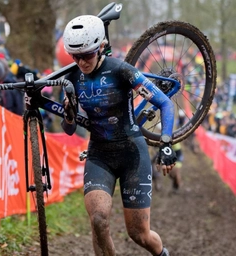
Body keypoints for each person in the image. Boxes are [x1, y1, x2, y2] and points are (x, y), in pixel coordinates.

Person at [61, 15, 177, 256]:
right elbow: (69, 129)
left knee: (139, 235)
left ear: (101, 47)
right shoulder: (71, 78)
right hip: (99, 155)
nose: (81, 62)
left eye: (87, 55)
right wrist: (69, 115)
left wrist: (166, 142)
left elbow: (164, 103)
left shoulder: (121, 71)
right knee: (98, 221)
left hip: (132, 155)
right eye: (76, 56)